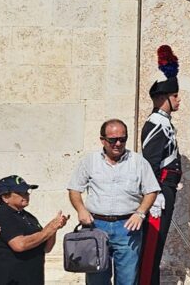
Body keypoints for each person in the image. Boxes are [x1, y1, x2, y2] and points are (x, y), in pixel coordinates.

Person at [68, 118, 161, 285]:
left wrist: (140, 213)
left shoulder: (138, 161)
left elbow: (151, 190)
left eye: (122, 139)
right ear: (102, 140)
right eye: (112, 140)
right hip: (96, 226)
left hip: (128, 227)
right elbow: (74, 188)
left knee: (127, 279)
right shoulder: (90, 161)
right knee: (96, 280)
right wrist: (81, 209)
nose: (118, 143)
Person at [140, 44, 184, 285]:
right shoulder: (156, 123)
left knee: (157, 245)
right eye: (174, 96)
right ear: (162, 98)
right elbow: (150, 161)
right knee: (151, 247)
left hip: (167, 186)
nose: (178, 100)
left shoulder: (165, 122)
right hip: (160, 188)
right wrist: (154, 193)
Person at [0, 175, 68, 284]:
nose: (26, 195)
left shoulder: (29, 217)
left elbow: (46, 248)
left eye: (27, 191)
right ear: (5, 197)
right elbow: (19, 245)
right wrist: (48, 229)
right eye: (20, 192)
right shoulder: (2, 215)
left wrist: (54, 229)